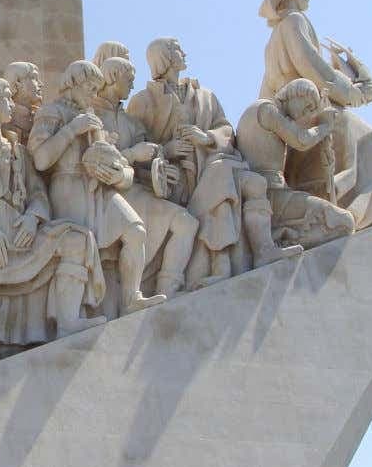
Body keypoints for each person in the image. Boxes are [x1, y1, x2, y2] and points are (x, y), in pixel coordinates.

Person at [0, 78, 106, 345]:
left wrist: (32, 217)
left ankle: (68, 323)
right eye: (6, 98)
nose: (12, 105)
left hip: (21, 235)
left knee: (79, 240)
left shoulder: (18, 149)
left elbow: (38, 193)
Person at [128, 38, 300, 286]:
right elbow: (135, 150)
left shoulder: (205, 95)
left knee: (255, 184)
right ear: (163, 58)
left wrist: (206, 137)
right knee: (222, 177)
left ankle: (262, 250)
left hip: (214, 164)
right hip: (180, 184)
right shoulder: (143, 101)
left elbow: (226, 129)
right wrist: (167, 150)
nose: (183, 52)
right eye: (176, 49)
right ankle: (220, 264)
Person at [259, 0, 372, 228]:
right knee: (371, 141)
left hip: (296, 118)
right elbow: (319, 73)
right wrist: (357, 94)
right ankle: (361, 213)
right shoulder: (294, 22)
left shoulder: (275, 38)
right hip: (311, 113)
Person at [28, 60, 165, 317]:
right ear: (75, 83)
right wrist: (72, 129)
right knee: (81, 246)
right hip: (67, 186)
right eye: (91, 88)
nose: (94, 95)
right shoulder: (51, 112)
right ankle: (70, 318)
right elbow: (41, 159)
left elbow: (113, 160)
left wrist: (119, 175)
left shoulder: (93, 119)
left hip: (98, 188)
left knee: (135, 230)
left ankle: (132, 298)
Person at [91, 56, 197, 298]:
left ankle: (167, 291)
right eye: (128, 79)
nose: (132, 84)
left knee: (186, 222)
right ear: (113, 77)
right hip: (106, 196)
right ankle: (132, 296)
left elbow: (147, 158)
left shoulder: (131, 122)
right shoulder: (92, 115)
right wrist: (131, 154)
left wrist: (160, 169)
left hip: (136, 191)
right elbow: (94, 163)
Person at [236, 78, 356, 247]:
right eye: (307, 107)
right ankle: (286, 240)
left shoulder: (273, 115)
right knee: (344, 221)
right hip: (270, 196)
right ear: (295, 94)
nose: (305, 115)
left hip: (275, 194)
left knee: (341, 222)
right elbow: (301, 140)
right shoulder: (267, 109)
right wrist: (325, 126)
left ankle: (287, 238)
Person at [2, 61, 44, 144]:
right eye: (34, 78)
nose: (41, 84)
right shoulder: (4, 119)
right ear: (18, 84)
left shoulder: (40, 116)